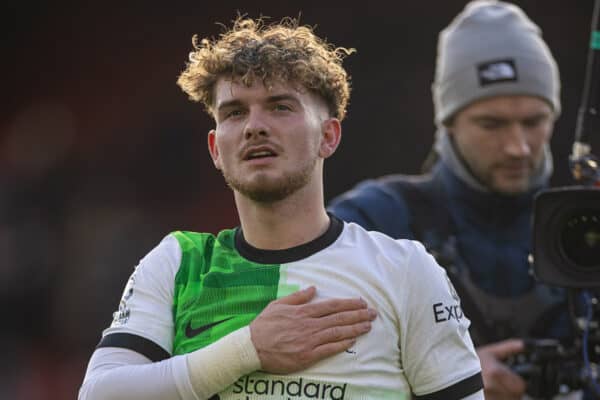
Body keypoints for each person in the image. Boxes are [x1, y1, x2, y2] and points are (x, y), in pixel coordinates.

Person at [78, 17, 483, 400]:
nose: (255, 125)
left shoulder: (404, 269)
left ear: (329, 136)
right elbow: (99, 392)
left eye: (280, 107)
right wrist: (247, 349)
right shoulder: (179, 263)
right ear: (216, 149)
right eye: (235, 112)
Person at [328, 1, 568, 399]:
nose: (517, 147)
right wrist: (447, 381)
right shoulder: (373, 221)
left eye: (534, 121)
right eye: (491, 124)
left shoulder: (584, 233)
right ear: (448, 123)